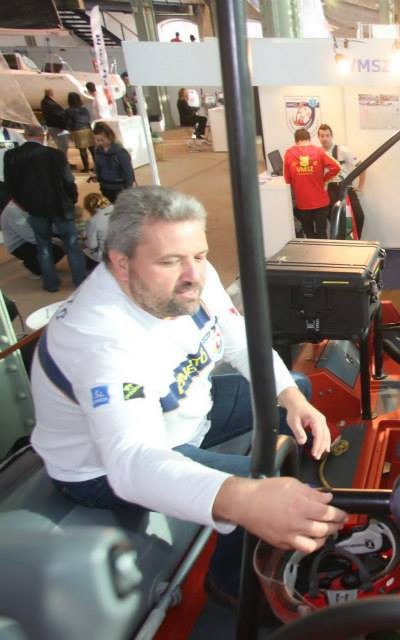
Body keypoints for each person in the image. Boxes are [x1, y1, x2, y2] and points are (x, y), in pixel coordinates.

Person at [30, 185, 347, 604]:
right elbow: (133, 461)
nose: (194, 275)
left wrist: (291, 397)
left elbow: (239, 340)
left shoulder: (191, 276)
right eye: (169, 261)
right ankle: (232, 584)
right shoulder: (100, 340)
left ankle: (291, 500)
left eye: (198, 255)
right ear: (121, 264)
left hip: (187, 411)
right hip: (105, 466)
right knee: (257, 483)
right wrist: (245, 497)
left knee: (297, 387)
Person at [2, 124, 87, 292]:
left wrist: (23, 204)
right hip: (60, 205)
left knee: (43, 246)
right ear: (43, 136)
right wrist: (72, 199)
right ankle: (80, 281)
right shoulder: (54, 154)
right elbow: (68, 180)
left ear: (25, 136)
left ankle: (51, 284)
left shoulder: (11, 156)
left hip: (34, 208)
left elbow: (10, 184)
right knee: (72, 245)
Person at [284, 128, 340, 239]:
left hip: (303, 202)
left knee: (309, 234)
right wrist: (324, 179)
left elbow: (287, 179)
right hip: (321, 201)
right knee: (322, 233)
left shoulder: (289, 153)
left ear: (296, 141)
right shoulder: (319, 151)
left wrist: (298, 181)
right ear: (309, 139)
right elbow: (336, 167)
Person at [317, 123, 366, 237]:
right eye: (322, 136)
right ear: (318, 137)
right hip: (329, 190)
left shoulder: (342, 150)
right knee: (335, 221)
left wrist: (361, 186)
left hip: (345, 187)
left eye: (327, 135)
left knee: (359, 216)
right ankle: (340, 244)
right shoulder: (317, 153)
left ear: (331, 136)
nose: (325, 138)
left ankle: (356, 242)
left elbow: (362, 166)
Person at [1, 199, 66, 277]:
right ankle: (32, 265)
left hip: (35, 235)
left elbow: (47, 222)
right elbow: (30, 236)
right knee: (56, 249)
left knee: (64, 240)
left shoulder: (32, 201)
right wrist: (56, 241)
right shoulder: (12, 211)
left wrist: (61, 232)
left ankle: (41, 263)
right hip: (19, 244)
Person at [91, 122, 135, 203]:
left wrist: (129, 189)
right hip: (104, 186)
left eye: (102, 140)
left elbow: (128, 172)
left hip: (119, 188)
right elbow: (97, 166)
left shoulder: (121, 152)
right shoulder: (98, 151)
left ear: (110, 137)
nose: (100, 143)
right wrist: (95, 174)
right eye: (97, 140)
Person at [66, 91, 95, 172]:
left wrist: (69, 130)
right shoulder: (84, 109)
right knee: (92, 149)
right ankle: (96, 166)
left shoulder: (69, 111)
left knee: (82, 150)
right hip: (88, 129)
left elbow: (68, 122)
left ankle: (86, 167)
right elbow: (88, 118)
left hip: (78, 130)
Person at [81, 192, 112, 267]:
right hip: (126, 250)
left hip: (105, 255)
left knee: (81, 248)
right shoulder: (119, 210)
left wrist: (84, 240)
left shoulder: (94, 220)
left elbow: (92, 245)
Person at [40, 88, 70, 155]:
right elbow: (58, 115)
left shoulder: (46, 102)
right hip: (57, 127)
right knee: (63, 145)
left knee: (62, 145)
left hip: (53, 126)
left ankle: (62, 159)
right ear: (50, 93)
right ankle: (62, 160)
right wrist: (64, 126)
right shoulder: (49, 103)